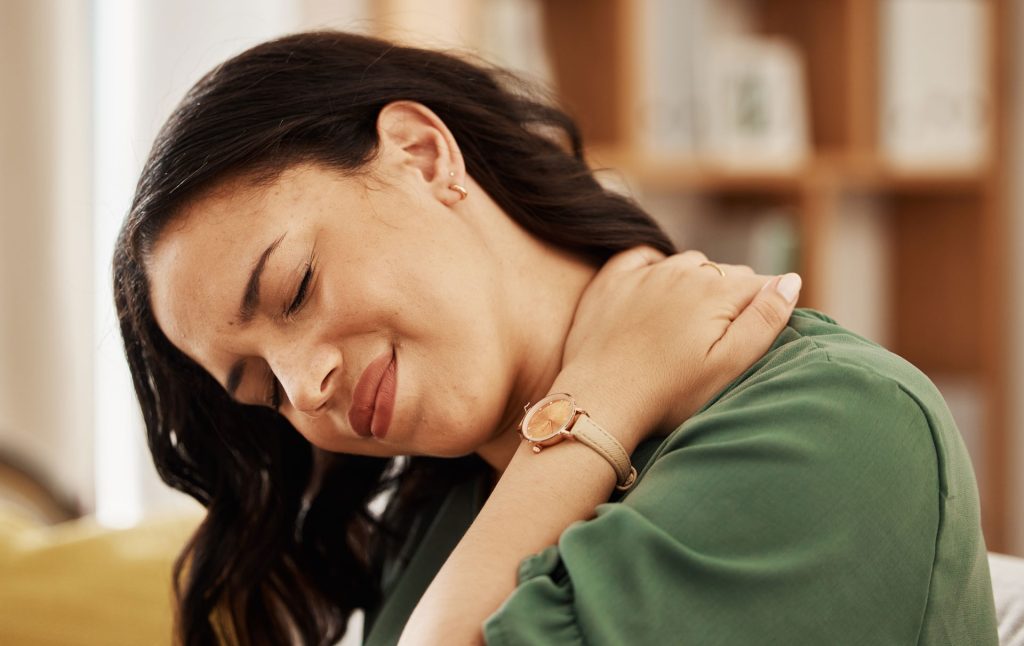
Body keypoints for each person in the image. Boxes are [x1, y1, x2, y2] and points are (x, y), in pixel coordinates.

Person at [113, 31, 998, 645]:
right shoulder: (447, 510)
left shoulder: (834, 424)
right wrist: (601, 396)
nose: (303, 390)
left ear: (423, 155)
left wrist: (591, 405)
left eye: (295, 288)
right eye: (264, 389)